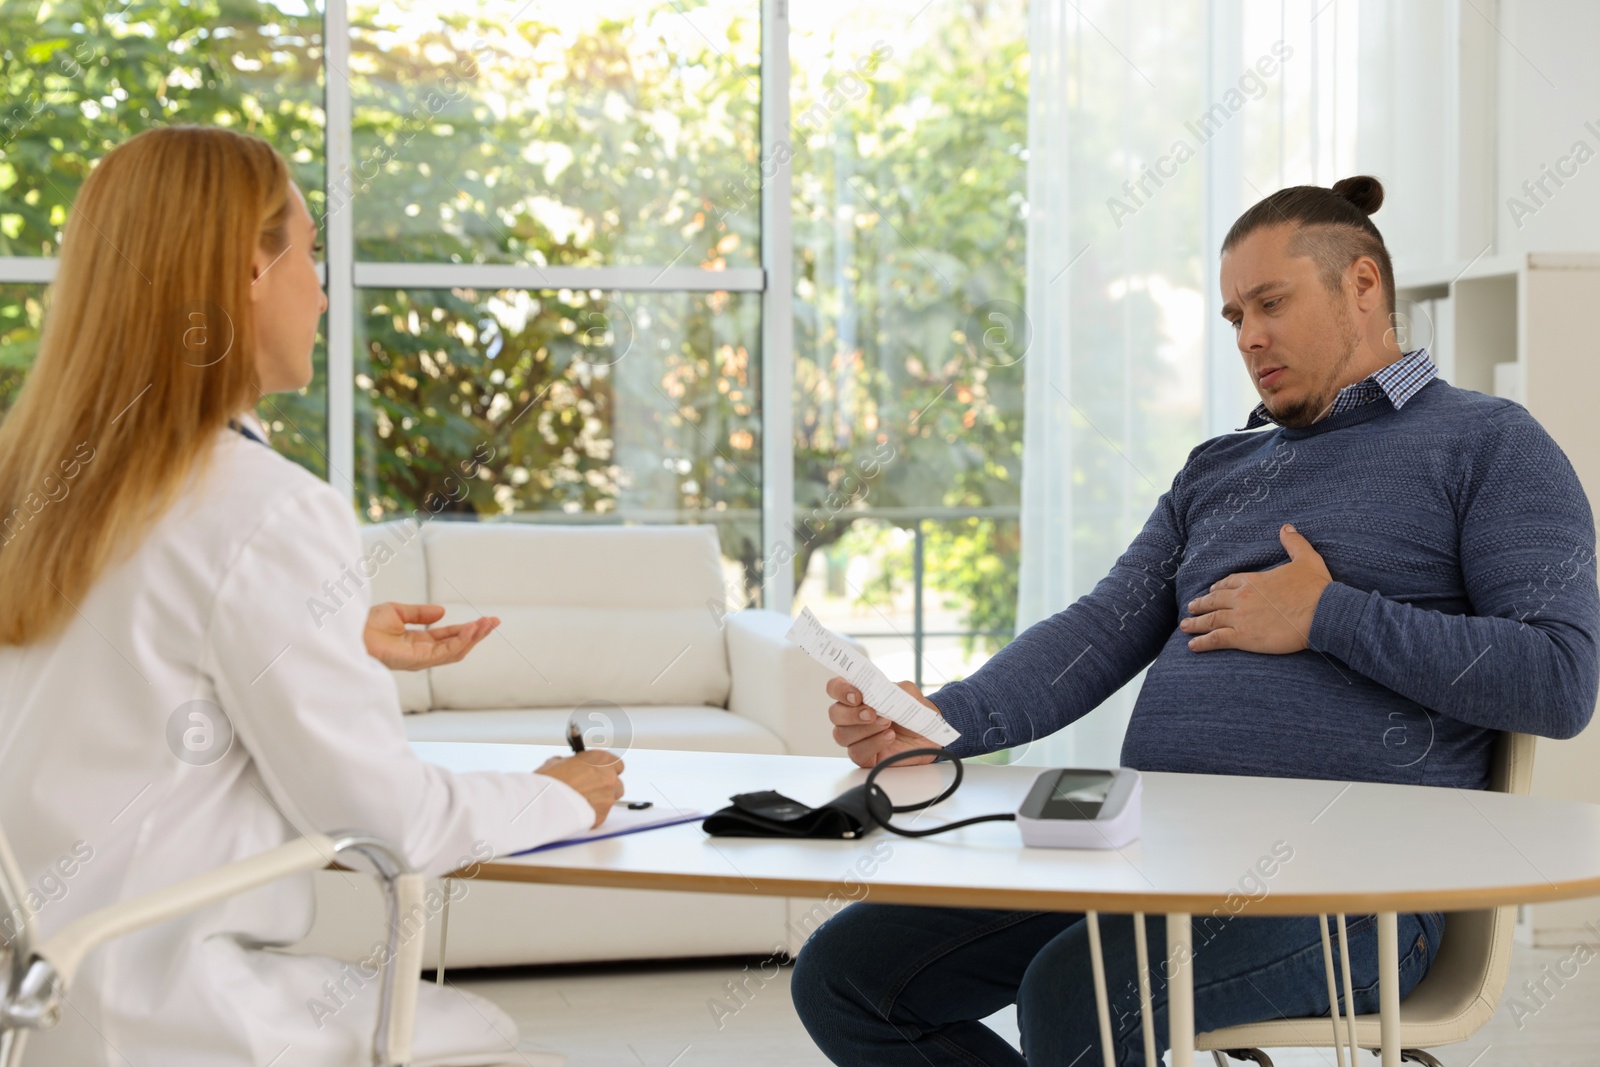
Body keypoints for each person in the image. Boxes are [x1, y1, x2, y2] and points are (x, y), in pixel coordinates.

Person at [791, 175, 1600, 1065]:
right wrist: (937, 722)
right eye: (1233, 316)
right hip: (1150, 858)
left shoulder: (1492, 444)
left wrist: (1329, 614)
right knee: (847, 973)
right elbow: (1100, 629)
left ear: (1363, 284)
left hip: (1357, 893)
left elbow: (1559, 680)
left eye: (1271, 302)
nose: (1250, 337)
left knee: (1075, 991)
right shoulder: (1218, 467)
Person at [0, 126, 624, 1066]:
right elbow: (392, 823)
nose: (324, 294)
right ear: (248, 271)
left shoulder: (37, 486)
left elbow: (115, 661)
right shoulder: (264, 507)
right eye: (312, 253)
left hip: (38, 1012)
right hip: (182, 1022)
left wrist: (327, 630)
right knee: (503, 1043)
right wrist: (557, 798)